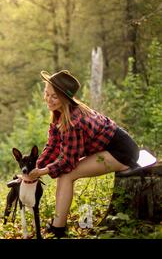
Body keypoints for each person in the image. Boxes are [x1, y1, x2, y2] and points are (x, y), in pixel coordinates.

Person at [26, 70, 142, 238]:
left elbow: (67, 162)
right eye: (47, 93)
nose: (48, 99)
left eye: (54, 96)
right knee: (63, 175)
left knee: (66, 175)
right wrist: (32, 169)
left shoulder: (73, 122)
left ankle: (58, 230)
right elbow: (53, 147)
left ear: (65, 98)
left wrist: (41, 172)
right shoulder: (60, 113)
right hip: (109, 147)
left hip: (122, 152)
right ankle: (57, 225)